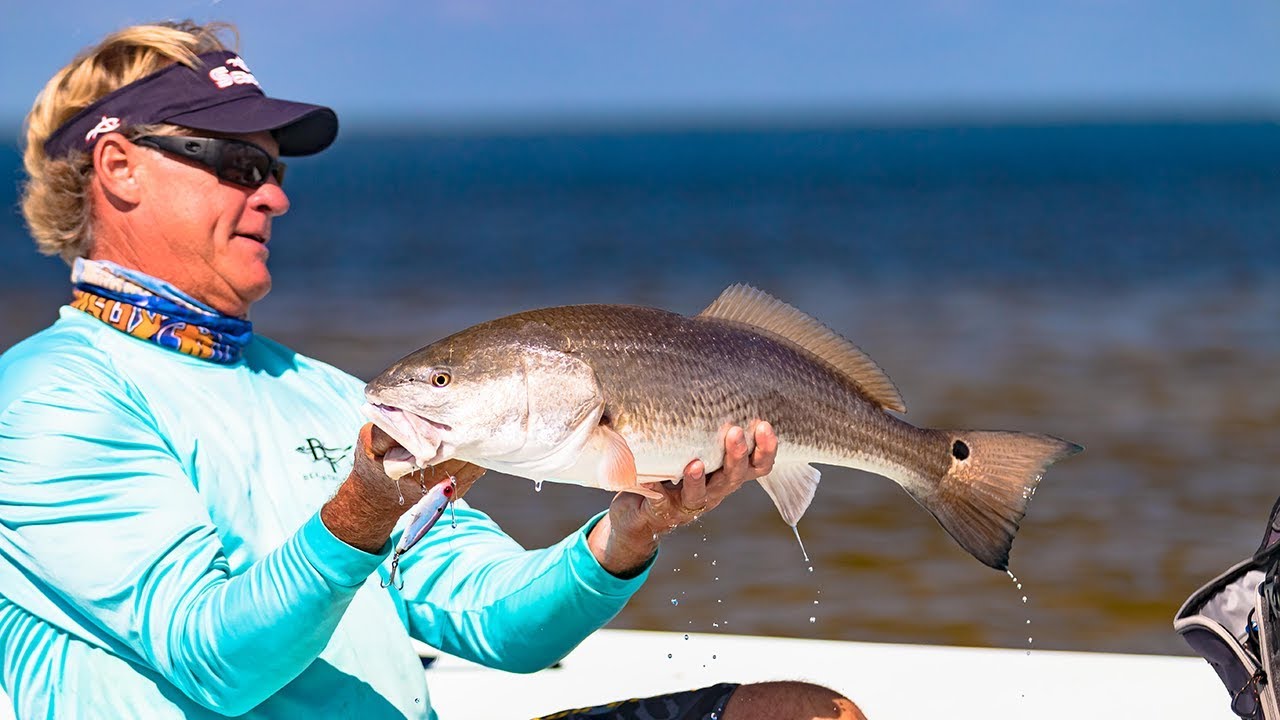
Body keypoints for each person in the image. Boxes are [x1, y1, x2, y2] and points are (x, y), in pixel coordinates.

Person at [0, 20, 864, 720]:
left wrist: (624, 537)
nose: (274, 194)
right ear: (118, 168)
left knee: (804, 715)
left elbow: (497, 623)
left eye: (273, 168)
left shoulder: (333, 395)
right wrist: (354, 520)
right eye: (237, 164)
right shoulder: (47, 399)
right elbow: (213, 663)